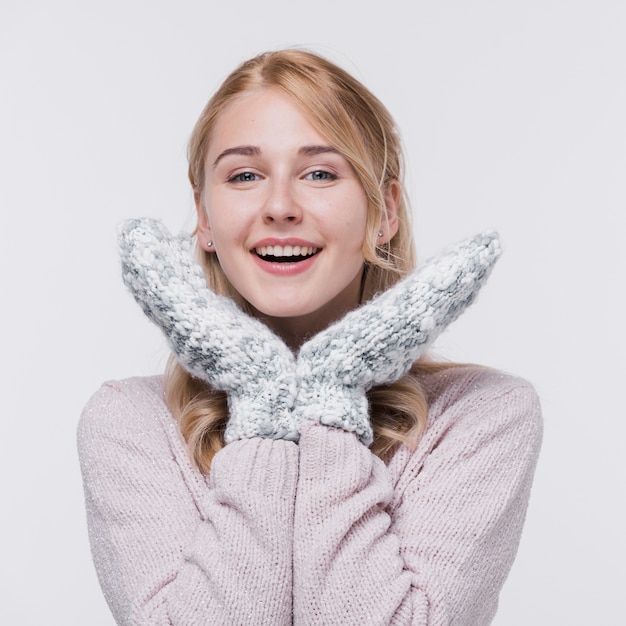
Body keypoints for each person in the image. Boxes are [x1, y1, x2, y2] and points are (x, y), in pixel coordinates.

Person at [77, 49, 542, 625]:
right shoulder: (129, 422)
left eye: (320, 173)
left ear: (385, 211)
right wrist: (263, 398)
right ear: (204, 213)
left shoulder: (480, 414)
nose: (279, 206)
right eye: (244, 175)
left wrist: (330, 397)